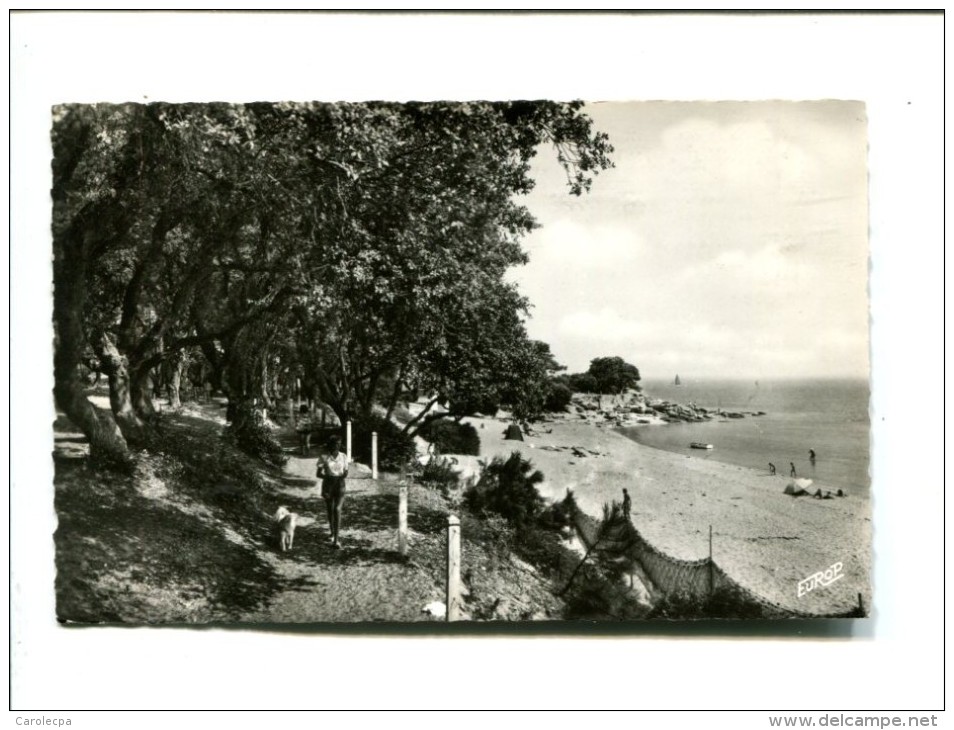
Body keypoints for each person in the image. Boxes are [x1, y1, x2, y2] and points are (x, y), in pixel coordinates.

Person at [316, 435, 349, 549]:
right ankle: (332, 531)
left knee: (337, 509)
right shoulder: (324, 457)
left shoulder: (344, 456)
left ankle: (336, 540)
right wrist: (327, 477)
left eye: (339, 444)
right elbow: (318, 474)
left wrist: (343, 475)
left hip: (340, 485)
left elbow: (346, 472)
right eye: (335, 444)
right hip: (328, 486)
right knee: (330, 510)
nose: (337, 446)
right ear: (330, 445)